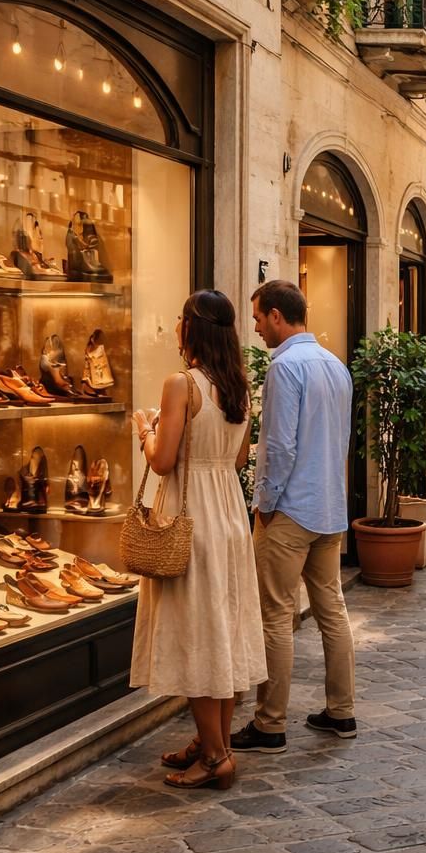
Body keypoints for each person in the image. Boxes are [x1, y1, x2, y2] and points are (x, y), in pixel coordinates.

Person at [130, 289, 265, 791]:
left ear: (191, 328)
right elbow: (237, 460)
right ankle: (217, 741)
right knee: (220, 634)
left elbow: (162, 462)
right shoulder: (237, 386)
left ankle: (214, 757)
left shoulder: (181, 384)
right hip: (227, 513)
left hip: (189, 517)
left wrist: (146, 429)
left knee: (196, 636)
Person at [233, 280, 360, 754]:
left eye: (259, 317)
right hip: (328, 506)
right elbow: (341, 439)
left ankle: (269, 723)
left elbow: (280, 446)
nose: (256, 325)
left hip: (290, 510)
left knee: (275, 616)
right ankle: (341, 710)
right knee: (332, 609)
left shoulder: (285, 367)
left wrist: (264, 503)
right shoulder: (335, 365)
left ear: (276, 317)